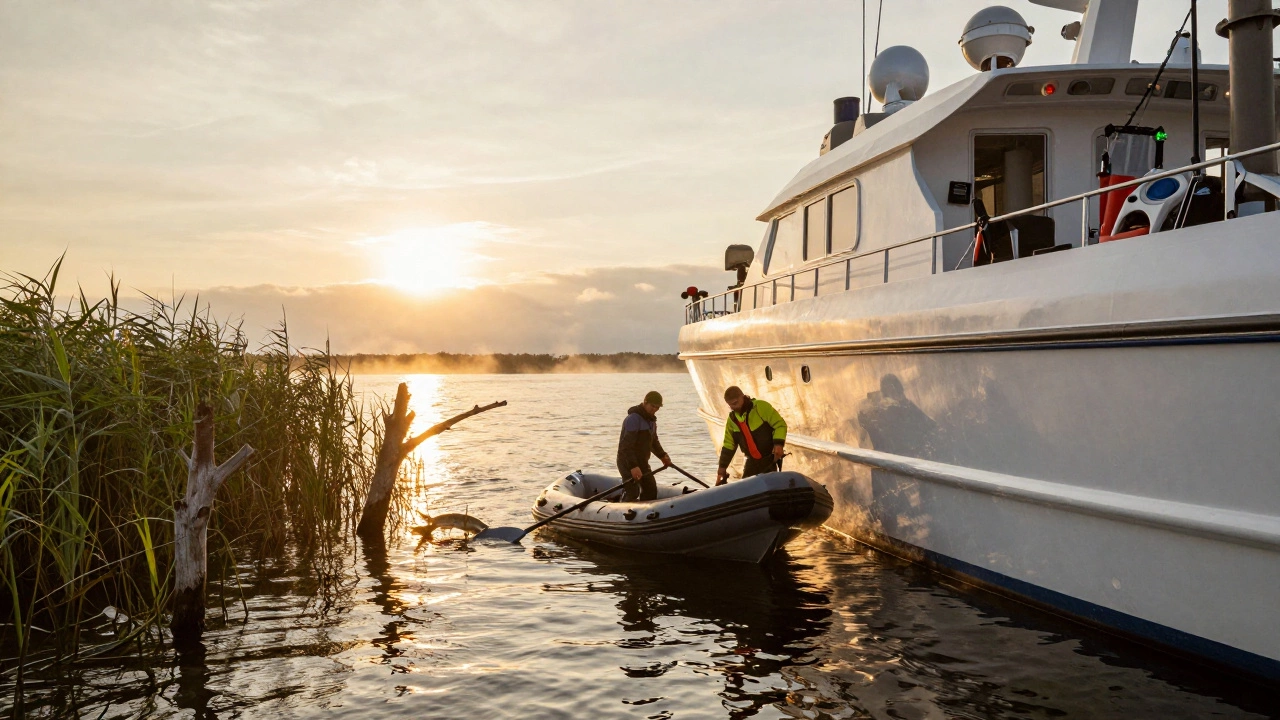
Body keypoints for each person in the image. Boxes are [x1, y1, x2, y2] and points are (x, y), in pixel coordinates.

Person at [716, 386, 787, 485]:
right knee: (746, 487)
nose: (734, 407)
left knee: (772, 484)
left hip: (770, 459)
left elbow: (780, 425)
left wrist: (778, 445)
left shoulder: (760, 407)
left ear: (743, 397)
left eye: (735, 403)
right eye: (730, 405)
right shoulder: (732, 420)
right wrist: (722, 467)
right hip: (752, 461)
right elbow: (728, 445)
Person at [616, 390, 671, 502]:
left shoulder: (652, 421)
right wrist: (633, 466)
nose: (654, 409)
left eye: (657, 407)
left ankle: (646, 514)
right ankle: (621, 510)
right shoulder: (633, 419)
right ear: (645, 402)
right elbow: (626, 446)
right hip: (626, 461)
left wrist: (662, 456)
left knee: (650, 489)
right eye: (652, 406)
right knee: (633, 491)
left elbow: (654, 442)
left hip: (642, 461)